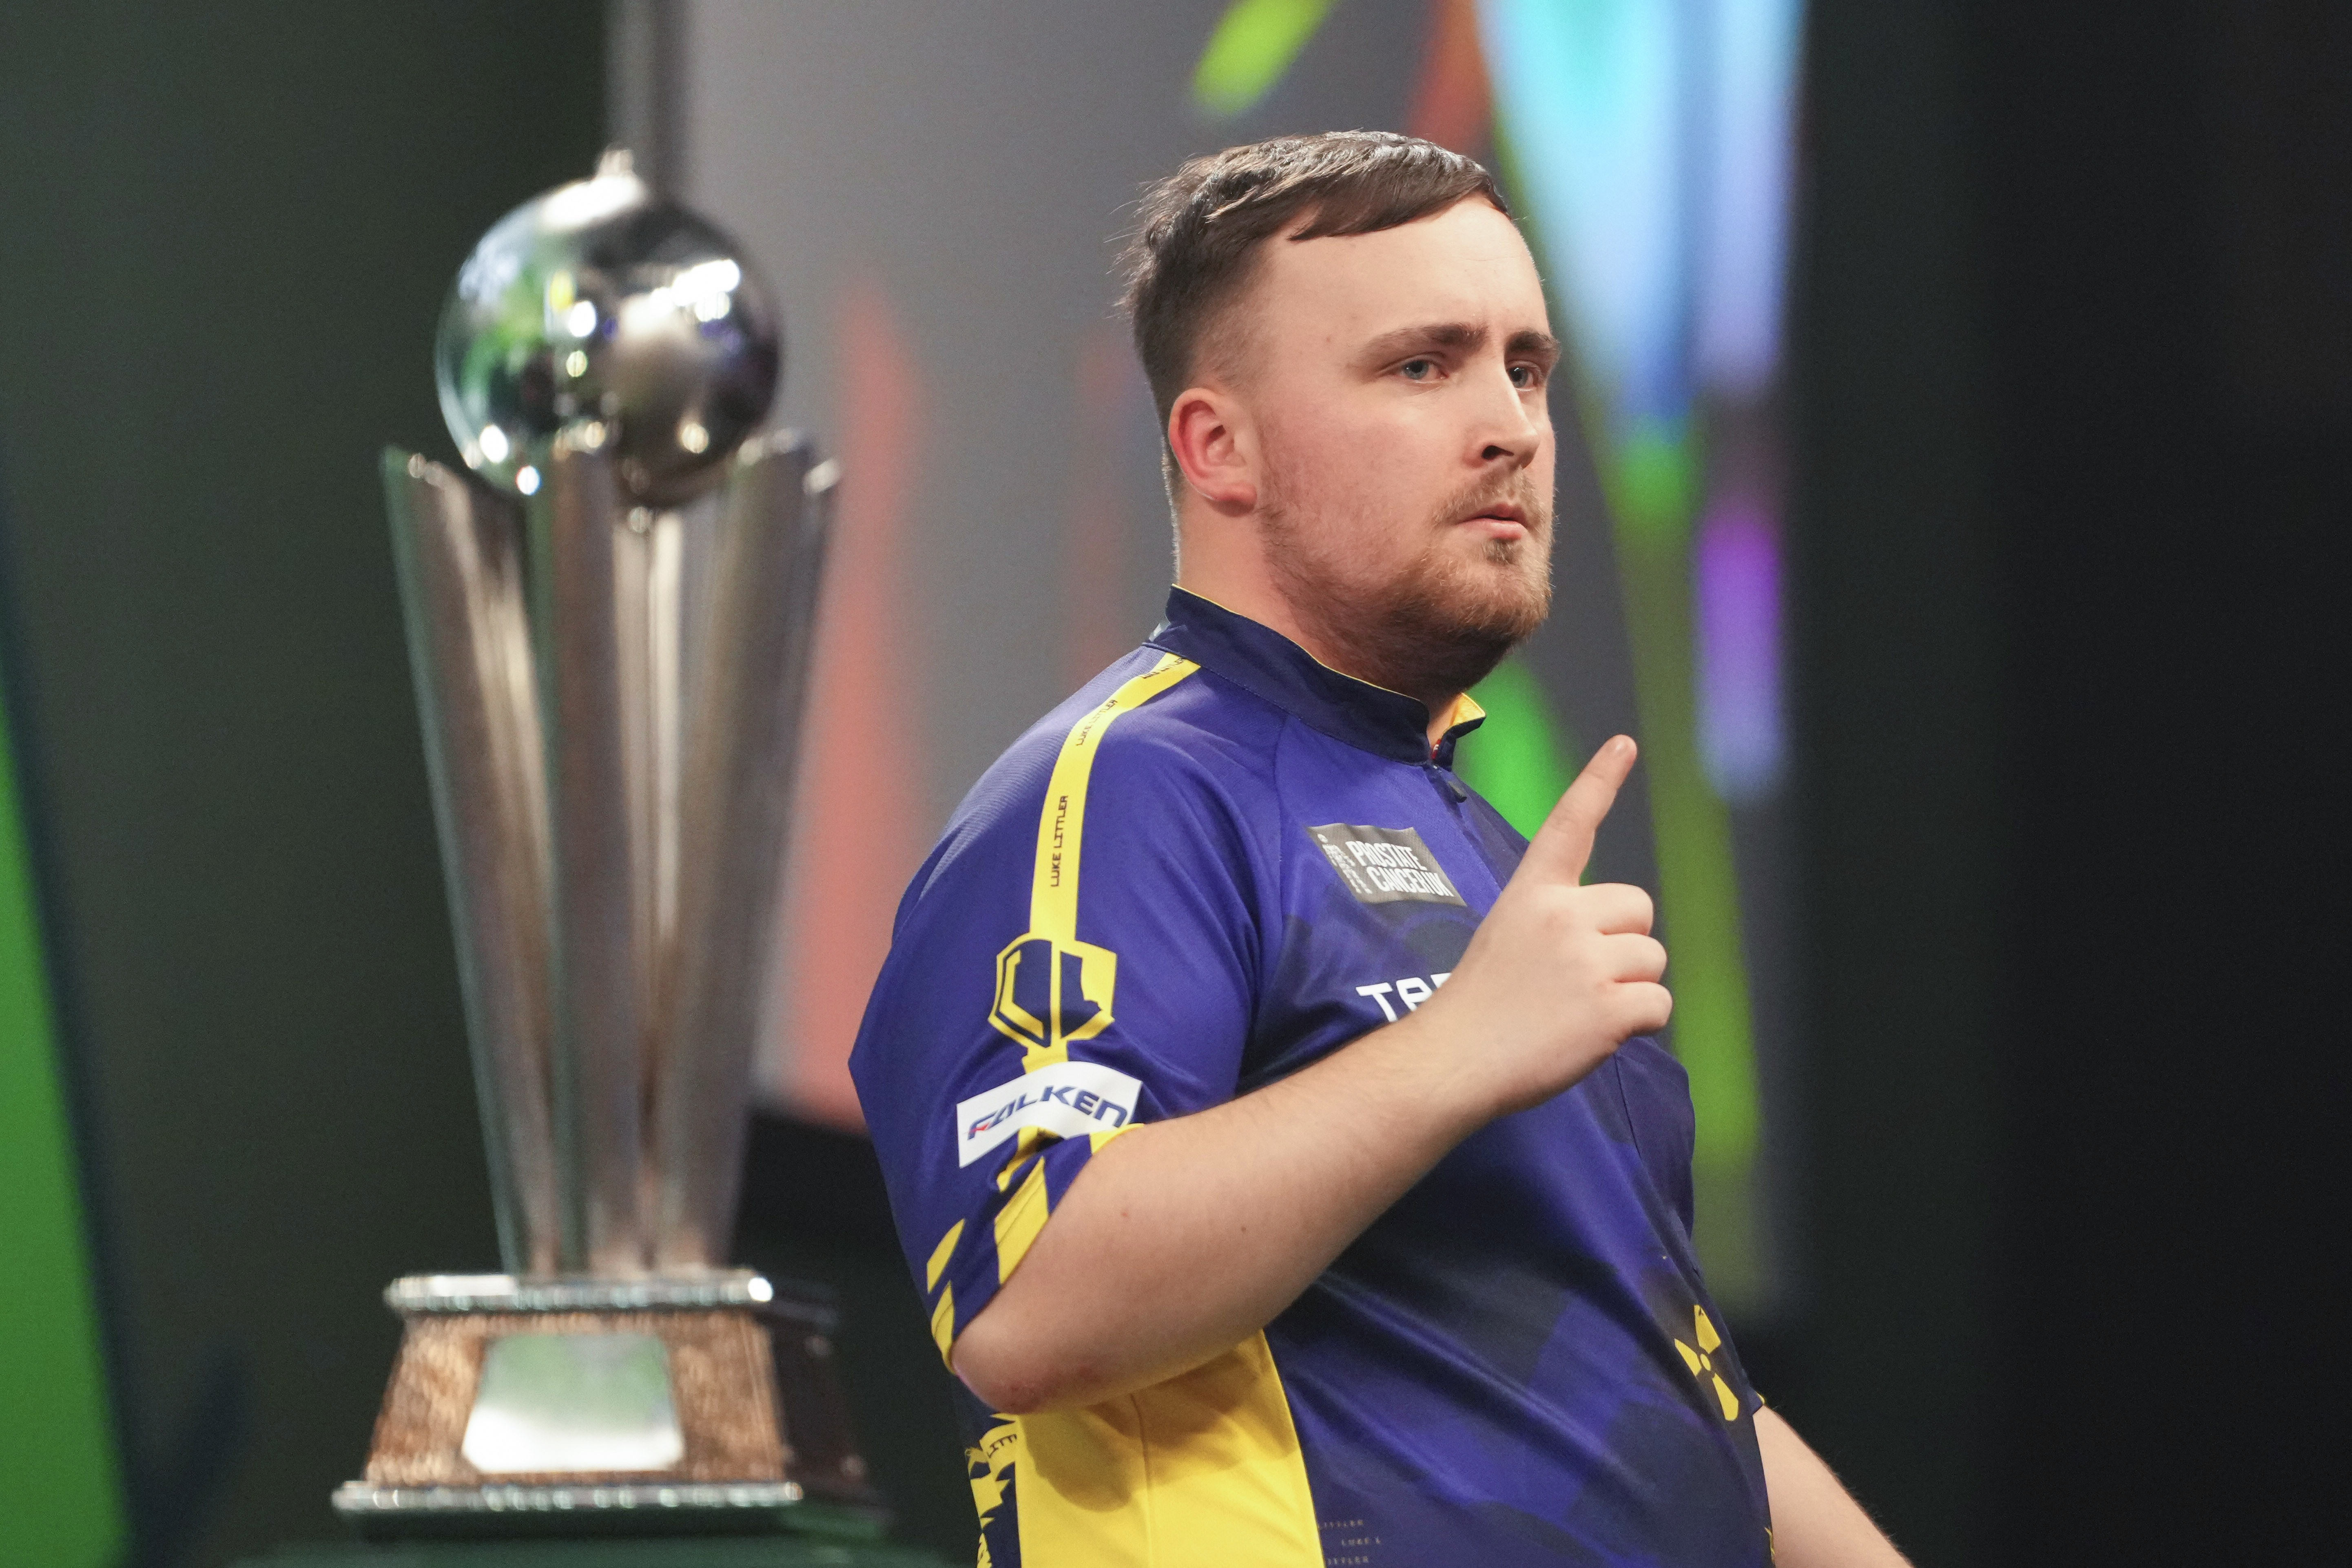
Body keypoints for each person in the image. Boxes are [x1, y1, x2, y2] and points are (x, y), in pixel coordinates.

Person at [849, 131, 1907, 1566]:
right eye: (1423, 365)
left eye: (1526, 368)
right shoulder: (1134, 785)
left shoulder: (1482, 848)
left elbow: (1665, 1368)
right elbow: (1028, 1294)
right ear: (1218, 446)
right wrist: (1460, 1048)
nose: (1512, 427)